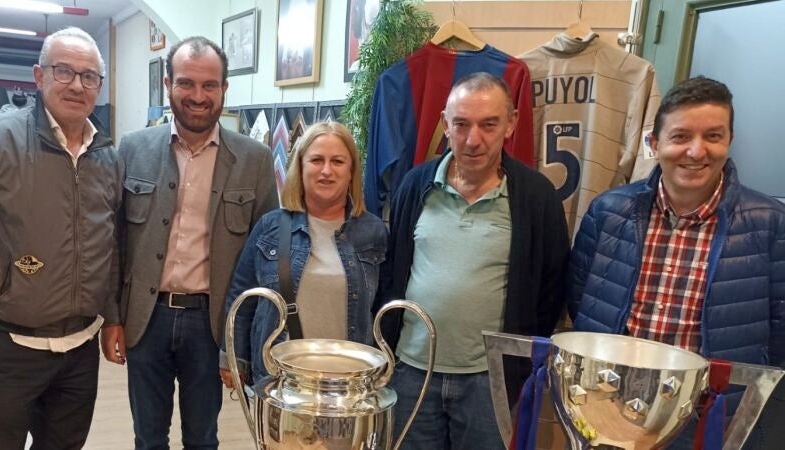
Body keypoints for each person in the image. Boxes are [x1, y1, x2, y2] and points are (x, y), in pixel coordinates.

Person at [566, 76, 785, 449]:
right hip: (610, 406)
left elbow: (780, 330)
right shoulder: (609, 212)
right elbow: (579, 297)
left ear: (729, 140)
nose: (697, 151)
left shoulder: (769, 224)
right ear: (654, 143)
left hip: (707, 417)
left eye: (713, 136)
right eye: (681, 136)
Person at [100, 36, 278, 449]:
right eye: (186, 83)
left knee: (202, 438)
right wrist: (111, 317)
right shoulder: (133, 149)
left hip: (212, 325)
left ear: (224, 88)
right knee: (148, 437)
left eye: (209, 85)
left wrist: (243, 342)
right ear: (168, 85)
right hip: (146, 319)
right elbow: (115, 242)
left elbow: (265, 259)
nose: (198, 96)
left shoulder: (254, 160)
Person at [375, 72, 569, 449]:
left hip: (490, 380)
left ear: (511, 124)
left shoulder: (536, 197)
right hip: (413, 371)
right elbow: (393, 270)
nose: (473, 139)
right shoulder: (415, 186)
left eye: (488, 125)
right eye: (461, 124)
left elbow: (552, 285)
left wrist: (518, 361)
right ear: (445, 125)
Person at [0, 27, 121, 448]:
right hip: (7, 346)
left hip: (79, 350)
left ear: (99, 86)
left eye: (89, 76)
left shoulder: (108, 156)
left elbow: (110, 245)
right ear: (39, 76)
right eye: (64, 71)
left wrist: (112, 317)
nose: (77, 85)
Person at [220, 121, 387, 387]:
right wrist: (234, 359)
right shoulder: (270, 227)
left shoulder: (373, 232)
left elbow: (385, 309)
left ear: (351, 171)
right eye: (316, 160)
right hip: (281, 382)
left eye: (338, 161)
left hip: (349, 385)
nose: (326, 171)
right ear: (300, 167)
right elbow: (242, 296)